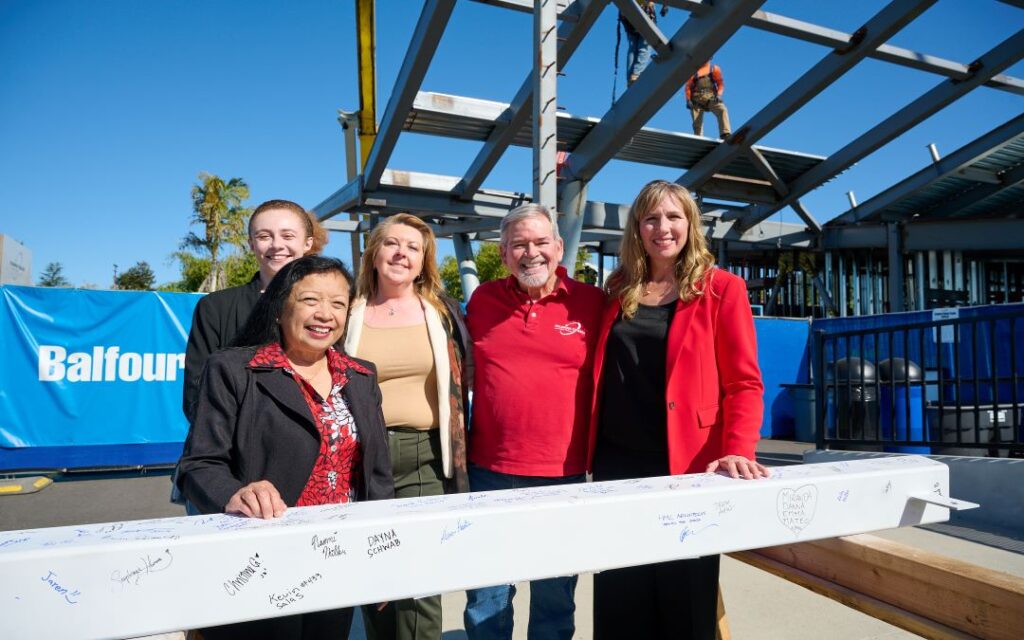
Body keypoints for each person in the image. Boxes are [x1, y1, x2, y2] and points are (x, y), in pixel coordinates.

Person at [176, 255, 393, 640]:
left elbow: (376, 477)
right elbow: (200, 464)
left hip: (336, 557)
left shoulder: (361, 376)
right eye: (310, 300)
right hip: (259, 558)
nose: (325, 313)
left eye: (338, 303)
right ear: (279, 308)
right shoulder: (233, 370)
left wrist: (380, 557)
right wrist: (235, 493)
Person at [588, 180, 767, 639]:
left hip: (688, 463)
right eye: (651, 218)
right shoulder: (618, 288)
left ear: (690, 224)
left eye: (673, 217)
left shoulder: (722, 288)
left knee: (684, 595)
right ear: (637, 228)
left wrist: (738, 448)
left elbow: (744, 382)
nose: (662, 228)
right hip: (617, 465)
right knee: (620, 593)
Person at [462, 204, 605, 640]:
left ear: (559, 248)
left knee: (555, 597)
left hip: (562, 475)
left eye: (541, 242)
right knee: (486, 598)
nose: (531, 253)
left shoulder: (593, 304)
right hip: (488, 471)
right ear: (504, 253)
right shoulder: (482, 301)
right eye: (519, 244)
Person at [344, 213, 471, 640]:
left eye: (413, 247)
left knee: (419, 582)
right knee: (373, 573)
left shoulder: (443, 313)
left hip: (424, 458)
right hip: (358, 458)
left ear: (423, 262)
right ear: (374, 254)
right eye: (392, 243)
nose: (401, 253)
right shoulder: (347, 311)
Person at [181, 199, 328, 423]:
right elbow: (197, 391)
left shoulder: (332, 308)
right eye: (264, 236)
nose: (276, 245)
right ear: (251, 243)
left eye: (288, 236)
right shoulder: (216, 308)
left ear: (308, 243)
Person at [619, 1, 667, 86]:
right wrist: (664, 7)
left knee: (633, 48)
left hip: (626, 14)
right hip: (644, 11)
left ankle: (631, 78)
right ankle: (636, 74)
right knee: (645, 46)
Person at [685, 60, 731, 139]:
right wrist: (688, 100)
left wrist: (719, 95)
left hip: (710, 96)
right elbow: (688, 87)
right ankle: (698, 138)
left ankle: (725, 133)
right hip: (696, 98)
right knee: (697, 123)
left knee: (722, 109)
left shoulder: (714, 68)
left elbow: (720, 83)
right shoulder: (693, 71)